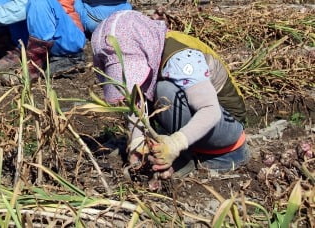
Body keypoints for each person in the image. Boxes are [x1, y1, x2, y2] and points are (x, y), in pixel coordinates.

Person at [91, 10, 249, 178]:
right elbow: (135, 101)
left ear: (144, 46)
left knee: (163, 90)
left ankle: (192, 151)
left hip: (226, 126)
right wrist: (137, 144)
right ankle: (184, 150)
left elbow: (211, 110)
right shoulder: (152, 48)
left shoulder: (181, 59)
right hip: (194, 117)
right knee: (143, 89)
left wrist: (175, 143)